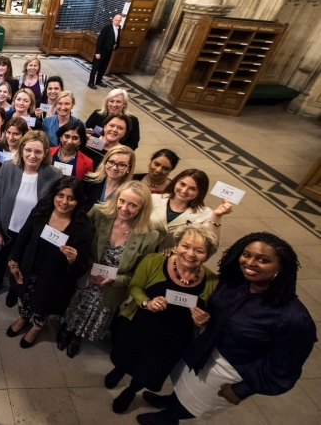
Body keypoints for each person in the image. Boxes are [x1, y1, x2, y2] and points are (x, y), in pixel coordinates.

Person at [138, 232, 317, 425]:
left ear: (281, 267)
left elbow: (284, 368)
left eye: (263, 260)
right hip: (207, 348)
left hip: (232, 369)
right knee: (184, 385)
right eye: (247, 255)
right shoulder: (235, 283)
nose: (250, 263)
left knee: (197, 402)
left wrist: (243, 389)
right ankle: (169, 401)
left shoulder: (294, 318)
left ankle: (167, 419)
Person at [106, 226, 219, 413]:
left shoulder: (212, 281)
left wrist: (203, 320)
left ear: (207, 255)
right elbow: (135, 287)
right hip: (138, 327)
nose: (190, 254)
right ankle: (118, 371)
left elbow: (209, 315)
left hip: (173, 340)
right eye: (186, 246)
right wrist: (146, 302)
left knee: (150, 370)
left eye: (199, 250)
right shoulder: (154, 261)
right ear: (176, 245)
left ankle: (131, 390)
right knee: (125, 355)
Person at [59, 181, 159, 358]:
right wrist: (87, 265)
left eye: (133, 205)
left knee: (93, 313)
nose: (125, 208)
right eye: (122, 201)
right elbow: (79, 240)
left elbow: (139, 274)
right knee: (73, 306)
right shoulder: (99, 213)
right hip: (85, 277)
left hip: (110, 289)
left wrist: (114, 279)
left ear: (143, 208)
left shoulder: (150, 235)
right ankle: (66, 329)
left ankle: (77, 336)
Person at [6, 176, 95, 348]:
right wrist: (14, 261)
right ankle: (23, 317)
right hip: (29, 268)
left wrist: (73, 259)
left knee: (43, 305)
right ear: (54, 194)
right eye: (60, 195)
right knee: (24, 297)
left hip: (54, 278)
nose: (64, 202)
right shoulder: (42, 210)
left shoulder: (84, 227)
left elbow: (80, 268)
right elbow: (24, 236)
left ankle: (37, 327)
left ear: (78, 201)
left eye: (71, 198)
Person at [0, 131, 61, 301]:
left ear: (45, 153)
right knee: (0, 259)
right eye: (28, 150)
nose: (32, 156)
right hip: (6, 228)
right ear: (22, 149)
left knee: (23, 262)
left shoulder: (54, 174)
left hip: (31, 233)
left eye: (38, 152)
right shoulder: (8, 167)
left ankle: (15, 287)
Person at [150, 169, 233, 251]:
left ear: (200, 192)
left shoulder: (206, 214)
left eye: (193, 189)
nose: (184, 190)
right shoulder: (153, 199)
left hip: (169, 259)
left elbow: (211, 245)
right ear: (175, 182)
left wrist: (216, 216)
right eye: (182, 184)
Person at [80, 145, 136, 213]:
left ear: (129, 169)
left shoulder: (130, 193)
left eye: (121, 165)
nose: (114, 168)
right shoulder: (89, 181)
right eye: (111, 162)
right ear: (105, 162)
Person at [88, 14, 121, 89]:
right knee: (95, 67)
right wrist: (97, 52)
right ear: (113, 19)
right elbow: (100, 40)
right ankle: (91, 82)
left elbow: (117, 38)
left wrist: (116, 46)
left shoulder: (119, 28)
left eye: (119, 20)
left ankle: (99, 81)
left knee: (103, 67)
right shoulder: (107, 28)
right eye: (116, 20)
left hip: (109, 51)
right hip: (101, 51)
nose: (117, 22)